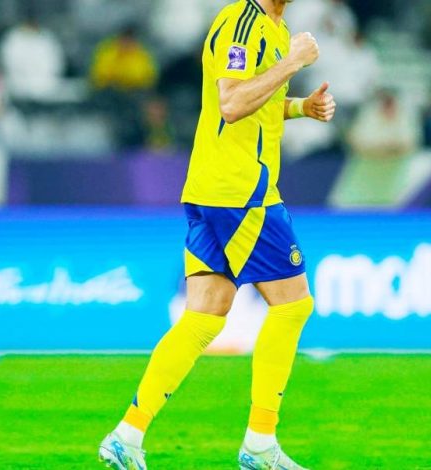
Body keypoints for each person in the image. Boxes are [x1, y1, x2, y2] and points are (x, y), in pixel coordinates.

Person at [98, 1, 336, 469]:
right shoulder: (241, 23)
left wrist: (299, 107)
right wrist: (293, 62)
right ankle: (260, 443)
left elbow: (254, 106)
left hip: (217, 188)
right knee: (293, 304)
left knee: (204, 316)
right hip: (240, 191)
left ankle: (127, 435)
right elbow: (231, 103)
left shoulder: (275, 27)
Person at [0, 12, 65, 102]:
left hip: (46, 88)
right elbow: (8, 64)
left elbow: (56, 65)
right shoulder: (12, 39)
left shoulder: (48, 39)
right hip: (18, 89)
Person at [90, 26, 158, 92]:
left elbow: (147, 77)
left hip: (135, 90)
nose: (126, 44)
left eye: (129, 41)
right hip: (110, 89)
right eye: (124, 41)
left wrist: (126, 77)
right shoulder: (108, 52)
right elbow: (99, 75)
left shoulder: (142, 54)